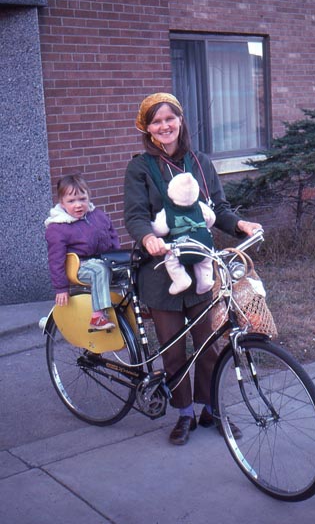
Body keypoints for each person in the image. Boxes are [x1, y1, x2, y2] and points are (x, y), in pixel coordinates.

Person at [124, 92, 262, 445]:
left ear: (180, 121)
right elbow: (137, 216)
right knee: (173, 351)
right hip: (161, 272)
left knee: (210, 346)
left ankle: (210, 409)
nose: (164, 126)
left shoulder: (199, 162)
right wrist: (146, 239)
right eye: (156, 121)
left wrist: (240, 224)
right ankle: (184, 413)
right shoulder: (141, 167)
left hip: (201, 265)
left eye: (170, 118)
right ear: (147, 129)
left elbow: (219, 207)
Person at [45, 173, 120, 330]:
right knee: (99, 271)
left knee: (131, 266)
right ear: (62, 202)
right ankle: (98, 316)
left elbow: (112, 235)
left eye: (82, 199)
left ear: (89, 197)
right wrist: (61, 288)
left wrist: (117, 257)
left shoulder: (98, 216)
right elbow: (56, 260)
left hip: (103, 259)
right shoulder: (58, 227)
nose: (78, 205)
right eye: (71, 201)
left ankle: (135, 306)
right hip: (78, 266)